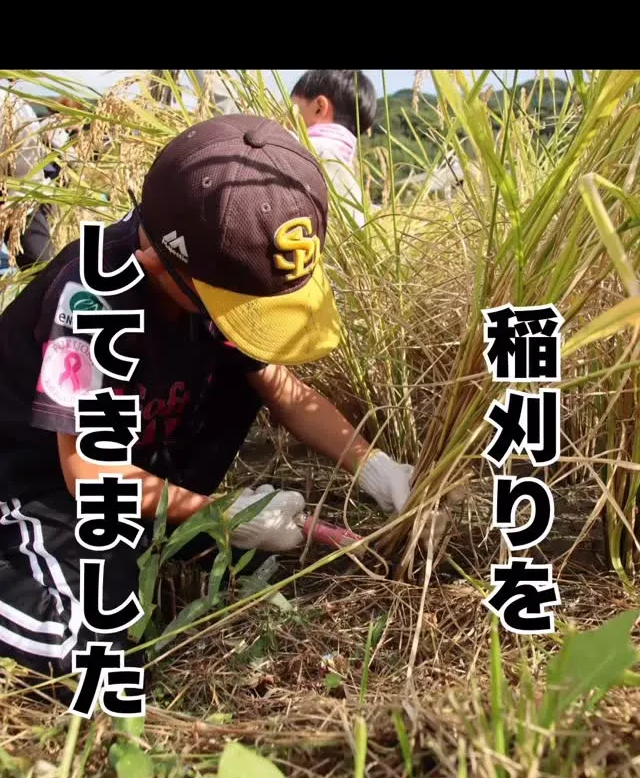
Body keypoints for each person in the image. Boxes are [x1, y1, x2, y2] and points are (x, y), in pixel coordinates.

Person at [0, 114, 418, 684]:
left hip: (141, 461)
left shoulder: (211, 267)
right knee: (89, 641)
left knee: (240, 381)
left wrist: (378, 470)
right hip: (40, 481)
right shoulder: (92, 299)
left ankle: (166, 534)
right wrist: (221, 512)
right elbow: (90, 474)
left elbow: (283, 391)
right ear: (162, 265)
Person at [290, 70, 377, 229]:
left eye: (292, 109)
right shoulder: (347, 164)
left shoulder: (308, 149)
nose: (286, 119)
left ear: (319, 107)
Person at [0, 81, 55, 269]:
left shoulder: (12, 107)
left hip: (16, 201)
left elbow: (28, 175)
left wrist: (11, 207)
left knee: (41, 269)